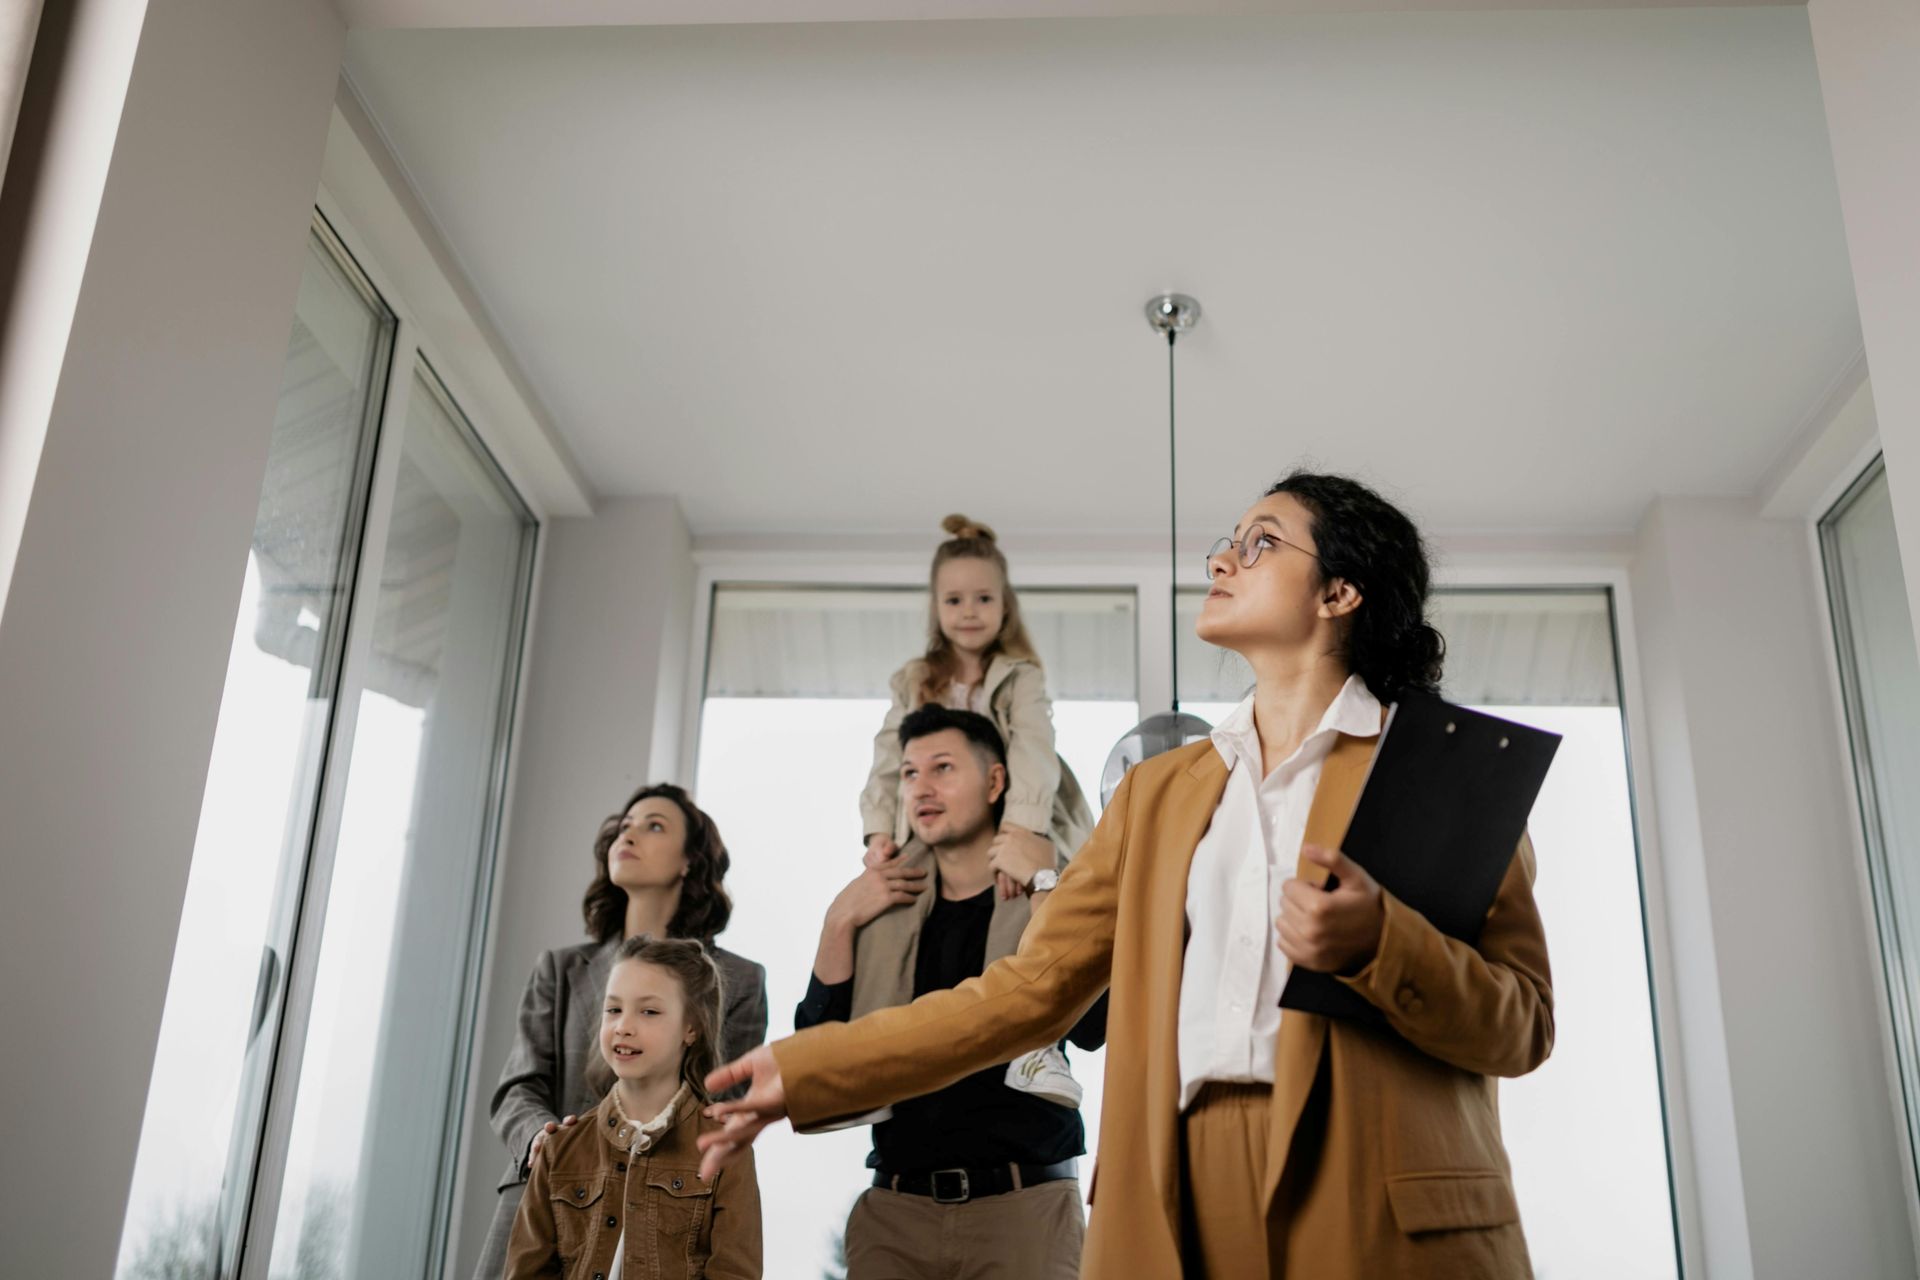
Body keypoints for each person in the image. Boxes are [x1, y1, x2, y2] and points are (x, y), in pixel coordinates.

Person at [699, 472, 1555, 1279]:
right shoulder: (1154, 796)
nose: (1221, 559)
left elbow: (1523, 1024)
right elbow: (1023, 993)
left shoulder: (1447, 769)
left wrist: (1383, 944)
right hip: (1175, 1198)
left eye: (1260, 544)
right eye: (1227, 541)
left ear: (1339, 593)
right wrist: (813, 1065)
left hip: (1379, 1195)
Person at [798, 705, 1106, 1279]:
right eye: (910, 773)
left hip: (1026, 1211)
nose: (922, 787)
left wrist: (1045, 884)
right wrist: (838, 923)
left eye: (942, 768)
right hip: (893, 1214)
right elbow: (819, 1055)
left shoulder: (1052, 886)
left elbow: (1094, 1027)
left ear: (995, 783)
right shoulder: (884, 910)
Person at [475, 784, 767, 1280]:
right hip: (547, 1200)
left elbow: (722, 1108)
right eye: (623, 824)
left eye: (654, 825)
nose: (628, 832)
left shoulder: (738, 980)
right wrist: (542, 1142)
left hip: (670, 1213)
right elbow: (518, 1088)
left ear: (689, 863)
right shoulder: (561, 968)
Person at [859, 513, 1095, 1097]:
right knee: (892, 913)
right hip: (937, 824)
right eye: (955, 599)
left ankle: (1034, 1047)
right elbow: (891, 758)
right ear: (937, 608)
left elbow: (1035, 752)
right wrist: (876, 834)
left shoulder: (1020, 677)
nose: (969, 611)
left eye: (984, 598)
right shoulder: (914, 679)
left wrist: (1020, 828)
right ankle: (871, 1055)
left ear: (1005, 606)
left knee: (1023, 904)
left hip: (1017, 810)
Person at [505, 935, 761, 1279]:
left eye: (649, 1011)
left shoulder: (726, 1150)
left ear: (692, 1028)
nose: (623, 1026)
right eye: (613, 1010)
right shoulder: (558, 1148)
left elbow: (735, 1273)